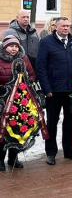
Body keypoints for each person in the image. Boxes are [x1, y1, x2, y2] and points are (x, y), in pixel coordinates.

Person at [36, 17, 72, 166]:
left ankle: (69, 150)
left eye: (68, 26)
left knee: (70, 122)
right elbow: (41, 67)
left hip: (71, 90)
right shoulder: (46, 42)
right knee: (52, 123)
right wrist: (46, 88)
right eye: (63, 26)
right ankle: (51, 153)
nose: (66, 29)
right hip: (54, 91)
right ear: (56, 26)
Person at [0, 35, 35, 171]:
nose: (13, 49)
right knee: (3, 130)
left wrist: (29, 82)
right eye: (11, 46)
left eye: (15, 46)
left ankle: (13, 158)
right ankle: (0, 159)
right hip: (3, 100)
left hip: (20, 100)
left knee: (17, 127)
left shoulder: (23, 59)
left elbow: (31, 74)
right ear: (5, 47)